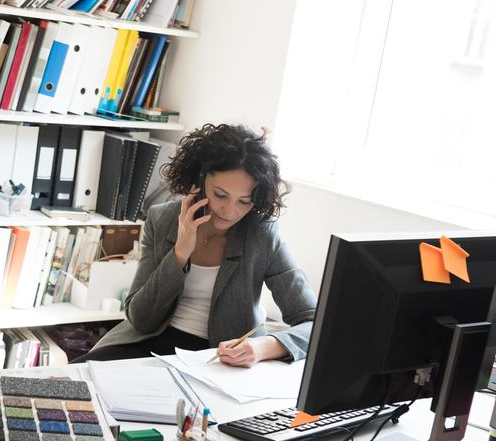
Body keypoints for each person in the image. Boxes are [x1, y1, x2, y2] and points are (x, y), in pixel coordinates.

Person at [74, 124, 316, 366]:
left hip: (217, 358)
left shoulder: (263, 234)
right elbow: (141, 319)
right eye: (220, 195)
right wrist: (180, 253)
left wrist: (264, 347)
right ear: (197, 181)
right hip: (147, 342)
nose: (230, 211)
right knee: (62, 383)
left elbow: (313, 322)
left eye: (244, 201)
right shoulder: (162, 219)